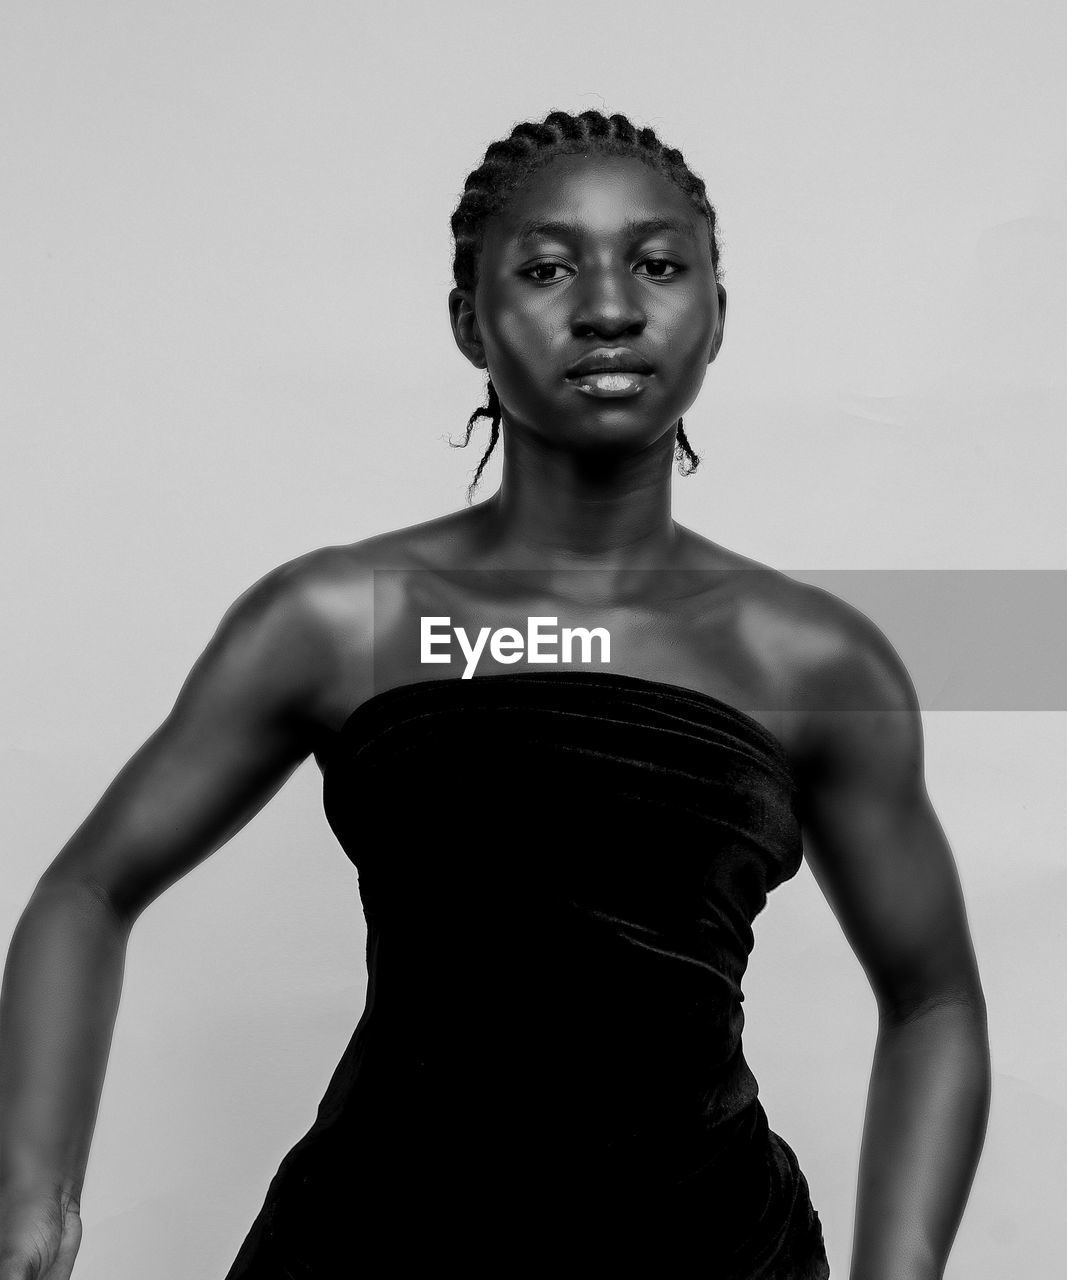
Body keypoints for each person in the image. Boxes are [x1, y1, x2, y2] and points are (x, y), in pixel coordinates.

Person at [0, 109, 990, 1279]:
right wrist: (33, 1199)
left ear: (716, 314)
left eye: (659, 264)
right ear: (470, 319)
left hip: (711, 1249)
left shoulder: (814, 660)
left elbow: (932, 998)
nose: (610, 305)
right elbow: (87, 887)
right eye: (547, 266)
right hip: (373, 1245)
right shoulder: (336, 619)